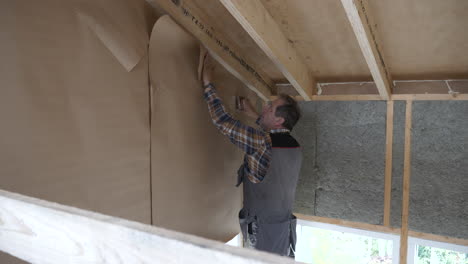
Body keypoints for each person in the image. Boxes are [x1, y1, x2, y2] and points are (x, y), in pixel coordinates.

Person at [200, 51, 302, 257]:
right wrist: (255, 115)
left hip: (264, 235)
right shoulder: (294, 146)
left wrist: (208, 84)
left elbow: (224, 122)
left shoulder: (263, 143)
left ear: (279, 120)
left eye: (270, 107)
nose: (264, 107)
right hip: (280, 231)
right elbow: (270, 140)